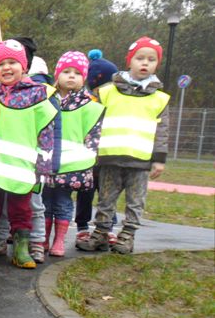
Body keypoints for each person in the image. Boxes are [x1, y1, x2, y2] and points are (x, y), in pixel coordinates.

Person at [76, 37, 170, 254]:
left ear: (157, 64)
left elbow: (162, 131)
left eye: (151, 59)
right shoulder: (108, 91)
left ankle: (127, 235)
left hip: (140, 162)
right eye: (140, 58)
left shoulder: (160, 99)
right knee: (105, 199)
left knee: (135, 202)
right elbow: (93, 119)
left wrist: (159, 159)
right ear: (130, 61)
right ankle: (100, 233)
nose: (144, 63)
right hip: (110, 157)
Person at [0, 40, 57, 269]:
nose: (6, 68)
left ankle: (21, 249)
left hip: (23, 167)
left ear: (24, 67)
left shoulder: (38, 96)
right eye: (1, 64)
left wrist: (44, 165)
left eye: (12, 63)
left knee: (21, 209)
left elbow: (46, 132)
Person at [42, 51, 105, 257]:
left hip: (72, 166)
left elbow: (93, 135)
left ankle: (59, 239)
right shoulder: (46, 99)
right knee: (44, 202)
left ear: (84, 78)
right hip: (47, 160)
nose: (71, 76)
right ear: (57, 74)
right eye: (66, 71)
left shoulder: (89, 105)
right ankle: (43, 237)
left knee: (63, 202)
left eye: (77, 73)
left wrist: (89, 158)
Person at [73, 49, 119, 243]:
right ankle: (82, 225)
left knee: (107, 192)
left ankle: (108, 225)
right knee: (86, 191)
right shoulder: (85, 102)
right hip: (87, 156)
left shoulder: (116, 101)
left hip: (107, 154)